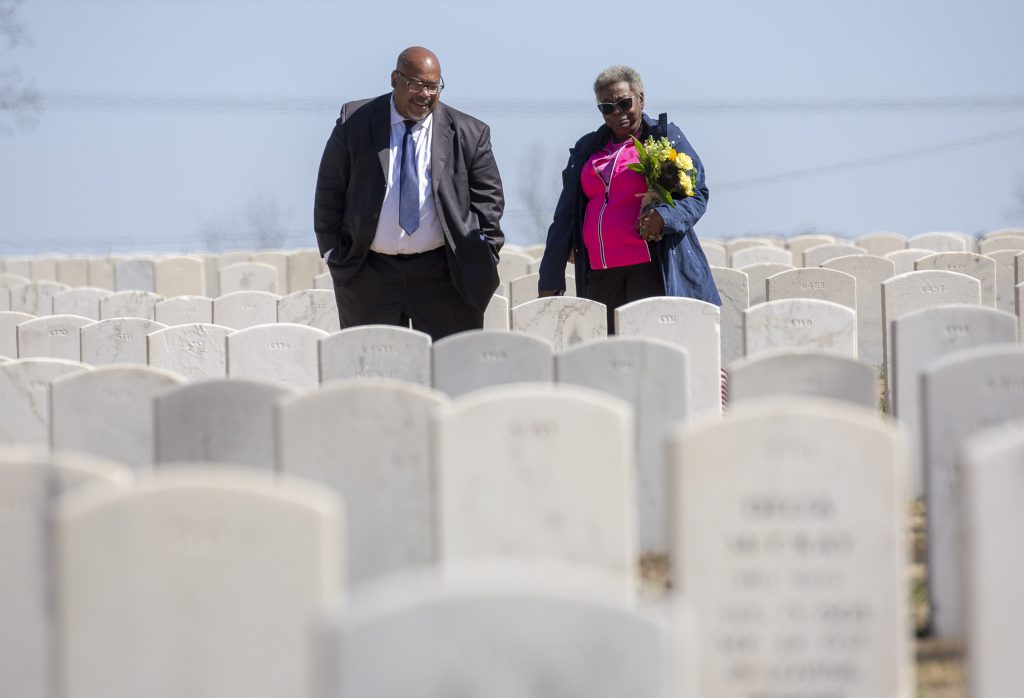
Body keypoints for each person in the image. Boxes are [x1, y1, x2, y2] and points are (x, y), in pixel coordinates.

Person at [314, 46, 505, 341]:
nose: (424, 94)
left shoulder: (470, 133)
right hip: (369, 273)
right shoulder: (355, 122)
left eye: (433, 86)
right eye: (416, 84)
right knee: (375, 374)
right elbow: (330, 189)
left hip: (445, 275)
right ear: (394, 79)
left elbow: (489, 202)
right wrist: (333, 254)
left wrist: (485, 252)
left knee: (450, 373)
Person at [537, 65, 720, 332]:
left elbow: (697, 195)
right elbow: (566, 214)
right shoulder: (586, 150)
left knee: (648, 352)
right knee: (610, 358)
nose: (618, 113)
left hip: (649, 268)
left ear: (641, 99)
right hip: (599, 272)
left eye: (624, 103)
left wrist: (664, 217)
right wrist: (551, 272)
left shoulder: (665, 138)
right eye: (607, 107)